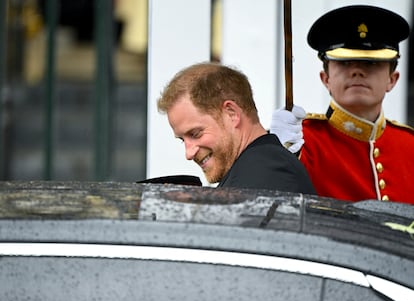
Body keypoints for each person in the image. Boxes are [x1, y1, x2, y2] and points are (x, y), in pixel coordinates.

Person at [270, 5, 414, 204]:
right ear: (325, 78)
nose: (357, 71)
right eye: (345, 63)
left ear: (393, 79)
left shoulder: (409, 145)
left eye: (370, 63)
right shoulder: (299, 142)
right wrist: (272, 152)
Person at [157, 62, 315, 194]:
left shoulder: (265, 174)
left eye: (195, 134)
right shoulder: (257, 169)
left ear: (231, 113)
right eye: (182, 140)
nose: (188, 154)